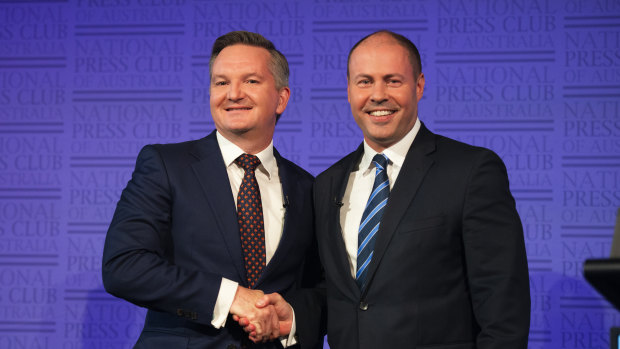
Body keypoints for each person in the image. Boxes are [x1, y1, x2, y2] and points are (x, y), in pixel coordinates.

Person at [251, 30, 531, 348]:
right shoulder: (328, 183)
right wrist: (296, 314)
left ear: (419, 86)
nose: (378, 94)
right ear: (349, 90)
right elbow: (342, 295)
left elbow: (503, 308)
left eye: (393, 80)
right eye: (364, 81)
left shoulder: (471, 171)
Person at [102, 31, 320, 349]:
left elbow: (321, 289)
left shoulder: (308, 188)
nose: (233, 94)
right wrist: (231, 297)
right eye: (221, 82)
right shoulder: (165, 165)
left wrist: (292, 316)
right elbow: (124, 265)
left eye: (251, 81)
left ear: (282, 98)